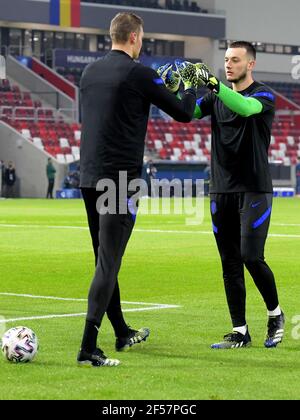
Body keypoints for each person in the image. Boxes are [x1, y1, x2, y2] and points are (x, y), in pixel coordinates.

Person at [78, 12, 197, 367]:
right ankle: (87, 348)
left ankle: (120, 331)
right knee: (108, 263)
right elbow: (184, 113)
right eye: (141, 38)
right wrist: (190, 82)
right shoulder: (138, 72)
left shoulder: (90, 73)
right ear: (133, 38)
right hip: (119, 180)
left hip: (88, 177)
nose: (142, 44)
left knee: (104, 260)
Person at [190, 41, 284, 349]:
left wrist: (214, 84)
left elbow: (244, 108)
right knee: (229, 262)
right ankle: (240, 331)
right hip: (220, 189)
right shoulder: (214, 97)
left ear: (251, 64)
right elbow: (186, 113)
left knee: (250, 257)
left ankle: (275, 314)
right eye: (227, 59)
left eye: (236, 60)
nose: (229, 64)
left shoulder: (264, 95)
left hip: (254, 189)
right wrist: (179, 88)